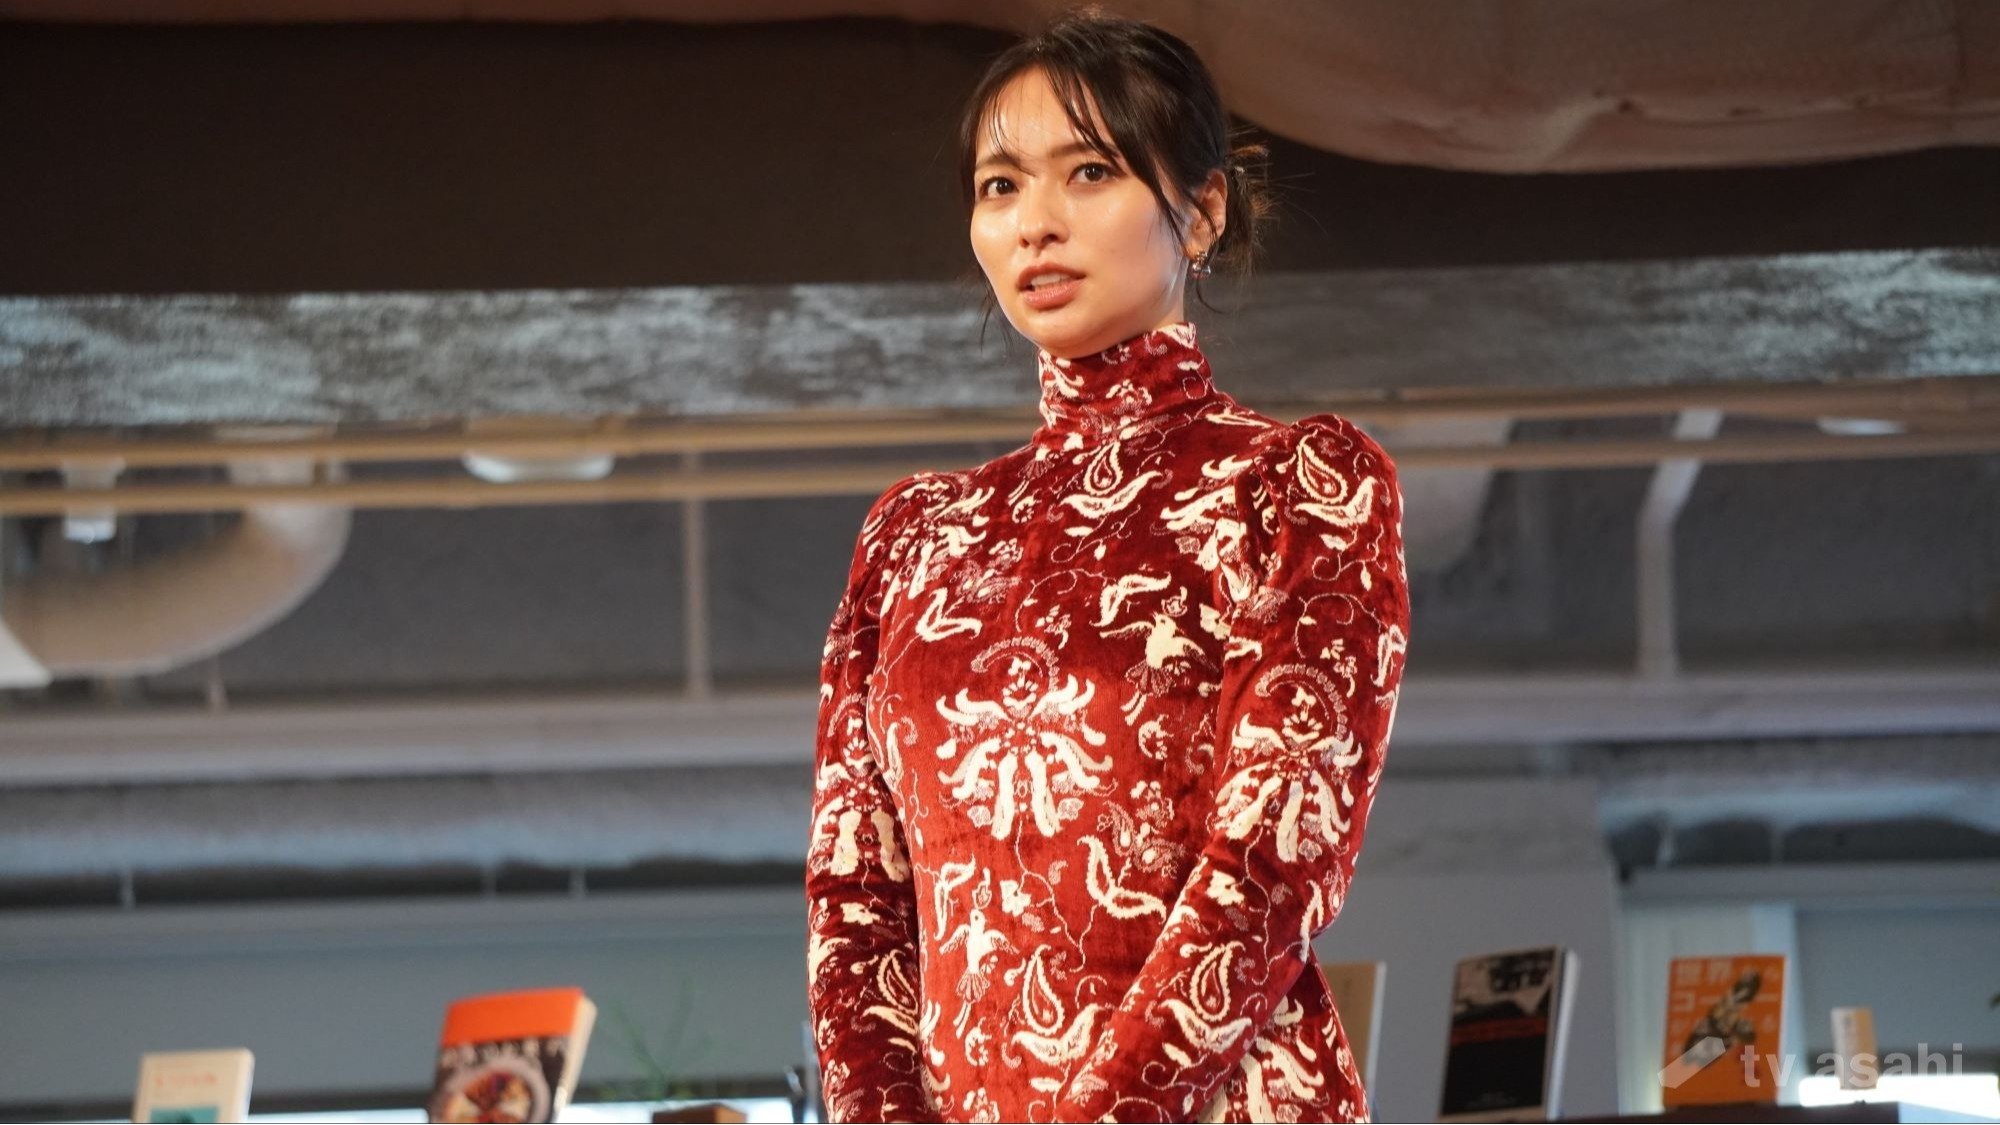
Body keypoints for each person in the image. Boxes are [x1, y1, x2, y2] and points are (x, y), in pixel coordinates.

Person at [804, 11, 1410, 1123]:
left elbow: (1273, 862)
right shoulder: (911, 535)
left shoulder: (1293, 486)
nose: (1035, 221)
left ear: (1203, 211)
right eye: (999, 186)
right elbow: (856, 893)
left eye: (1088, 172)